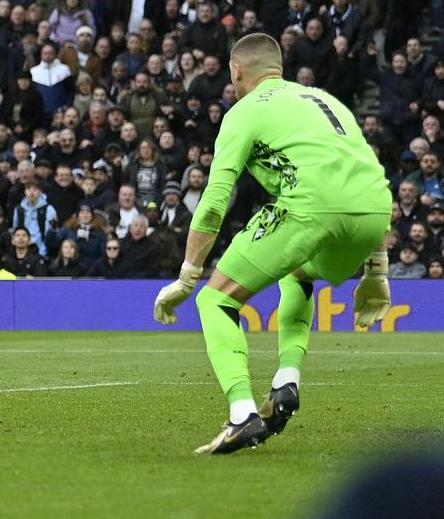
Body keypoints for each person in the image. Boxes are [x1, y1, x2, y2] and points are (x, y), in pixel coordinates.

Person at [152, 33, 392, 455]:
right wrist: (377, 272)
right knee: (297, 273)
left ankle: (242, 415)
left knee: (216, 301)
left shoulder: (244, 112)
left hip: (311, 209)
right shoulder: (326, 101)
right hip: (374, 215)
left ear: (236, 71)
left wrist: (187, 277)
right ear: (278, 67)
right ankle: (286, 381)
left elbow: (214, 201)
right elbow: (364, 173)